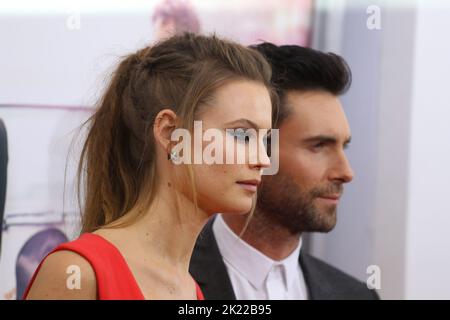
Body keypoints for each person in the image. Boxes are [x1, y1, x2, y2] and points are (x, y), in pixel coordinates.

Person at [23, 33, 277, 300]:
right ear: (170, 133)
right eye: (241, 135)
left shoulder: (191, 290)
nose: (263, 160)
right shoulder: (77, 273)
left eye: (266, 140)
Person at [190, 43, 380, 300]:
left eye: (343, 146)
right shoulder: (161, 282)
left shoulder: (357, 296)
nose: (346, 172)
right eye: (319, 146)